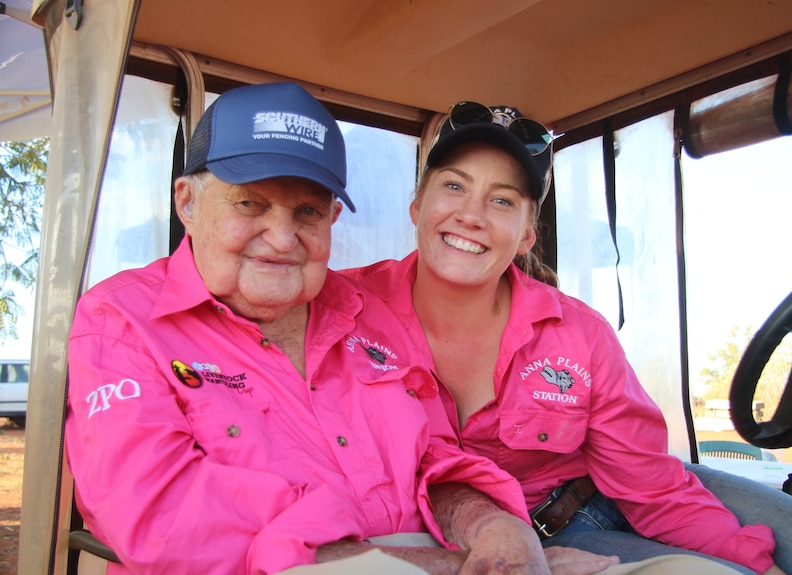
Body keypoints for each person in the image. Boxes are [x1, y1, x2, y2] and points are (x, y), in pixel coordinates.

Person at [64, 82, 623, 575]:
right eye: (250, 204)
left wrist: (496, 531)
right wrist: (447, 566)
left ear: (332, 217)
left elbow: (433, 458)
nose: (282, 238)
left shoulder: (365, 311)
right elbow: (159, 517)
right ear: (187, 201)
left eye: (307, 212)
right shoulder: (122, 322)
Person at [342, 101, 792, 575]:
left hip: (623, 495)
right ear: (417, 205)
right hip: (524, 540)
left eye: (501, 201)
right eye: (454, 186)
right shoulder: (339, 312)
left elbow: (652, 487)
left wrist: (758, 563)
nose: (471, 216)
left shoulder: (579, 333)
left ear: (526, 235)